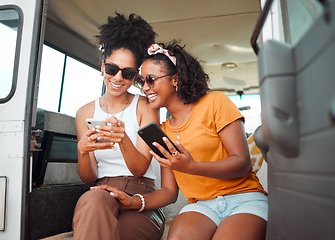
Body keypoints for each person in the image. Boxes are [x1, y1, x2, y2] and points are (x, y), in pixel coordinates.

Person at [99, 41, 268, 240]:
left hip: (245, 199)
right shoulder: (161, 132)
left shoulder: (215, 102)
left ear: (175, 79)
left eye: (151, 80)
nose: (145, 88)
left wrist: (192, 167)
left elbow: (242, 163)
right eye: (141, 81)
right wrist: (133, 201)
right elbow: (170, 192)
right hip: (202, 206)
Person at [72, 13, 178, 240]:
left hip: (141, 194)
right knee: (92, 200)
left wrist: (123, 139)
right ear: (102, 67)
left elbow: (140, 168)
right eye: (112, 69)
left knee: (122, 233)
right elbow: (89, 178)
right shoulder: (84, 113)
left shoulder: (145, 107)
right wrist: (82, 152)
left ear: (134, 77)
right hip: (100, 191)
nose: (118, 78)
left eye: (128, 73)